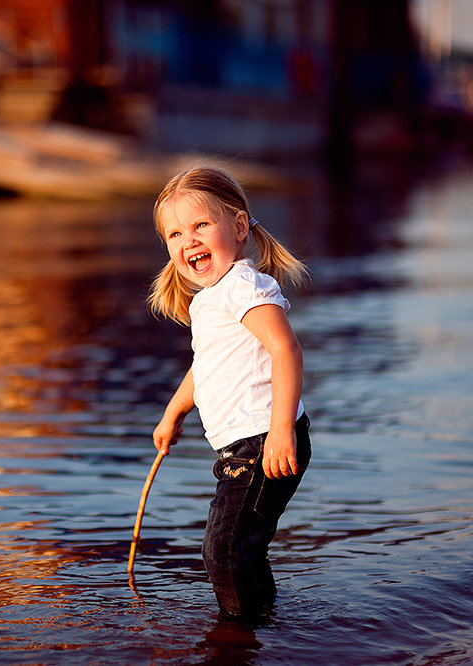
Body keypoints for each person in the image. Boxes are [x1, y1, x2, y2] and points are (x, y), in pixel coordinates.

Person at [149, 166, 311, 619]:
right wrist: (174, 411)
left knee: (224, 552)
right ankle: (265, 625)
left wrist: (281, 431)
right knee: (239, 550)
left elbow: (287, 350)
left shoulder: (242, 286)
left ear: (239, 227)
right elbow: (208, 367)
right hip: (247, 445)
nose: (189, 241)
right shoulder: (211, 298)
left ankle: (239, 641)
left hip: (263, 443)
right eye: (176, 233)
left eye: (202, 225)